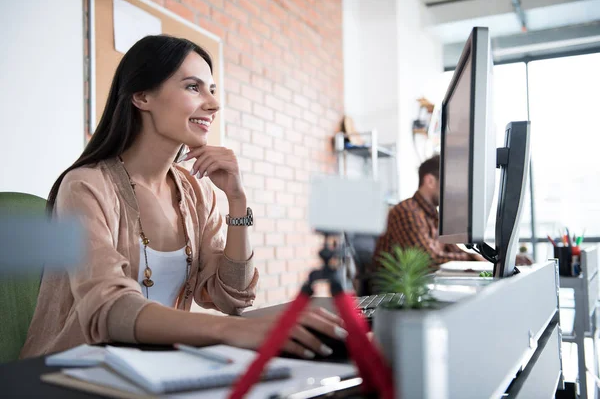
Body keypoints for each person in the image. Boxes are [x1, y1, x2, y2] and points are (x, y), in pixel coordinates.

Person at [20, 35, 345, 360]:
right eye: (194, 87)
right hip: (74, 371)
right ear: (142, 95)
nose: (213, 104)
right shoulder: (85, 187)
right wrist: (230, 331)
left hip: (158, 367)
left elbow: (233, 298)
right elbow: (107, 309)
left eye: (212, 90)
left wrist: (237, 200)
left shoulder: (197, 193)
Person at [372, 155, 532, 273]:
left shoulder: (433, 214)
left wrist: (496, 260)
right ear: (430, 181)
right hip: (392, 291)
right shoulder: (407, 211)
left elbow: (453, 251)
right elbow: (429, 260)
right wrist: (473, 258)